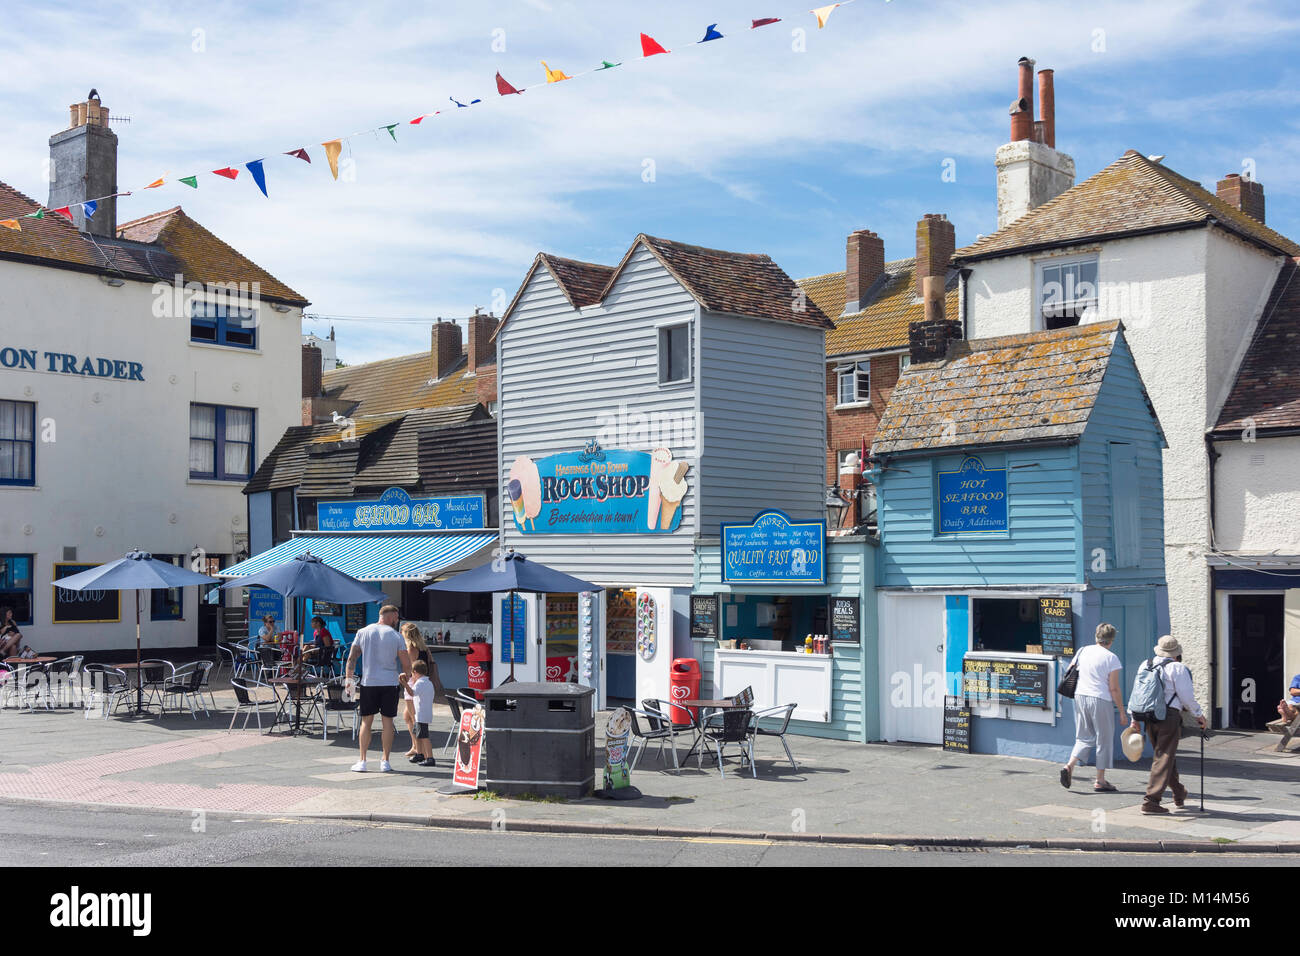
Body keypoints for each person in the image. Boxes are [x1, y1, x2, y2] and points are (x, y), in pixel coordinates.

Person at [1130, 635, 1206, 815]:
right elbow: (1186, 696)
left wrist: (1133, 716)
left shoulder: (1146, 664)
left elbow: (1137, 691)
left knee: (1164, 756)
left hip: (1148, 715)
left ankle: (1179, 793)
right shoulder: (1177, 668)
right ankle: (1151, 800)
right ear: (1176, 653)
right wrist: (1199, 715)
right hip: (1168, 716)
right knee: (1163, 757)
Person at [1060, 622, 1129, 792]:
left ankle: (1069, 765)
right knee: (1103, 739)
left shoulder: (1083, 650)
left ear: (1096, 636)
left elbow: (1070, 670)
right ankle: (1100, 780)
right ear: (1111, 639)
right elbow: (1113, 688)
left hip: (1080, 696)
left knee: (1083, 736)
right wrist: (1122, 711)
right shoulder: (1111, 658)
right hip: (1100, 699)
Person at [345, 605, 411, 773]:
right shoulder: (396, 636)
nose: (397, 621)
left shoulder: (363, 632)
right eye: (396, 618)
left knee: (366, 722)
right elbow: (406, 663)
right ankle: (385, 761)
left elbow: (352, 658)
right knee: (387, 721)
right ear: (391, 616)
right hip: (389, 683)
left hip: (369, 682)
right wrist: (408, 681)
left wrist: (349, 679)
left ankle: (362, 761)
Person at [400, 623, 431, 758]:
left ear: (406, 634)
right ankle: (415, 745)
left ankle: (420, 750)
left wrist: (404, 681)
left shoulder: (411, 649)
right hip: (423, 683)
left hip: (414, 684)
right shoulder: (424, 648)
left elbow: (410, 669)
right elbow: (431, 663)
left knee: (414, 717)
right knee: (407, 716)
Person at [404, 659, 437, 767]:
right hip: (421, 714)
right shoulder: (428, 682)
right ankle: (419, 753)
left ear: (415, 672)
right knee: (417, 734)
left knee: (424, 736)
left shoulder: (420, 683)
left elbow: (411, 693)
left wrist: (404, 683)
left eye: (412, 673)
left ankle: (430, 757)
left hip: (421, 715)